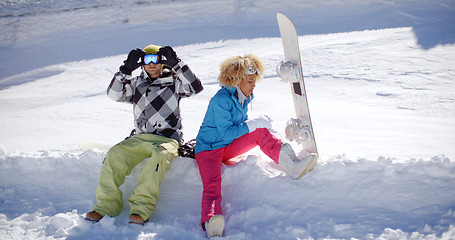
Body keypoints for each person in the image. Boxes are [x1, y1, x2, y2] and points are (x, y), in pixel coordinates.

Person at [194, 54, 317, 237]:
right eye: (250, 81)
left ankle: (292, 166)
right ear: (237, 80)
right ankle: (212, 220)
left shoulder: (243, 97)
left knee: (261, 133)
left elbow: (239, 131)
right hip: (208, 150)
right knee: (212, 184)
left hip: (227, 146)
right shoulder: (220, 100)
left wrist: (257, 126)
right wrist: (253, 124)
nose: (253, 85)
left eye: (254, 81)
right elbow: (227, 132)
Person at [85, 44, 203, 225]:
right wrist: (124, 70)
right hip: (140, 138)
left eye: (156, 59)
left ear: (163, 62)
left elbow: (196, 87)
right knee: (115, 153)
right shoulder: (136, 85)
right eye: (147, 60)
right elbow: (113, 94)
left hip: (167, 139)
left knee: (159, 155)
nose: (152, 64)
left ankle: (140, 209)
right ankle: (106, 206)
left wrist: (177, 64)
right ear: (141, 63)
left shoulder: (174, 82)